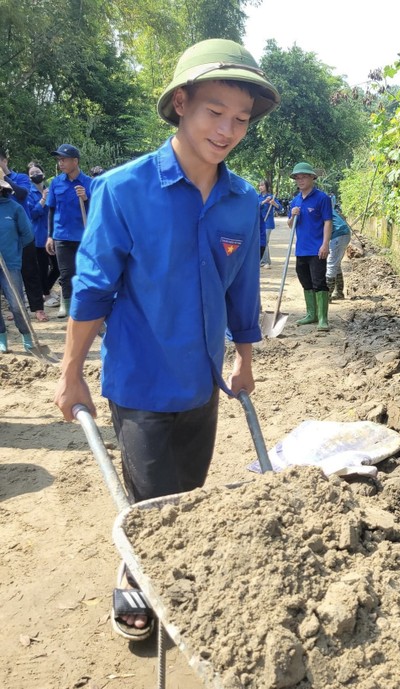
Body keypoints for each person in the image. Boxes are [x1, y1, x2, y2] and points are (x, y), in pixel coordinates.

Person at [52, 38, 280, 641]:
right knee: (153, 503)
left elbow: (242, 292)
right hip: (141, 384)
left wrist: (245, 360)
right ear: (181, 103)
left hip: (201, 382)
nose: (228, 129)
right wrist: (71, 370)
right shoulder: (123, 191)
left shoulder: (242, 200)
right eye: (215, 111)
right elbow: (92, 288)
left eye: (241, 119)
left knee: (189, 495)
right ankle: (140, 581)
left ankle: (172, 574)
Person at [45, 144, 92, 319]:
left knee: (83, 273)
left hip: (83, 236)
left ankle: (85, 305)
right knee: (66, 273)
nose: (60, 163)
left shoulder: (89, 183)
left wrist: (86, 199)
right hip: (61, 236)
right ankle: (67, 305)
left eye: (63, 159)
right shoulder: (56, 183)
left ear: (75, 161)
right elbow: (51, 210)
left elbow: (98, 211)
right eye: (58, 160)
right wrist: (50, 236)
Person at [0, 150, 47, 322]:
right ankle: (16, 308)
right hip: (5, 234)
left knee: (30, 271)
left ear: (5, 160)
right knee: (9, 273)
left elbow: (21, 194)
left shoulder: (20, 177)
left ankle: (38, 308)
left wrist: (4, 177)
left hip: (23, 232)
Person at [288, 162, 333, 331]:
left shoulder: (322, 198)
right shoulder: (295, 200)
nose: (300, 180)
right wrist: (292, 216)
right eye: (297, 178)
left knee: (319, 282)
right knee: (305, 280)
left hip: (317, 248)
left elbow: (328, 222)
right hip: (301, 249)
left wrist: (325, 244)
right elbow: (290, 225)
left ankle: (323, 318)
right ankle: (311, 314)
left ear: (312, 178)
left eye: (304, 177)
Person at [0, 179, 35, 353]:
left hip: (11, 263)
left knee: (16, 303)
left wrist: (14, 251)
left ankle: (26, 336)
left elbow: (27, 235)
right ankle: (2, 338)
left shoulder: (14, 208)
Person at [27, 162, 61, 311]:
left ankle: (44, 289)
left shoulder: (51, 189)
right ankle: (46, 294)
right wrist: (42, 200)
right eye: (32, 174)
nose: (36, 175)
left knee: (58, 267)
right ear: (29, 178)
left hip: (53, 234)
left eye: (37, 172)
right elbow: (32, 214)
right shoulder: (28, 193)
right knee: (41, 267)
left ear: (43, 173)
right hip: (37, 236)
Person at [327, 205, 352, 301]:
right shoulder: (325, 205)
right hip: (342, 233)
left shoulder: (318, 207)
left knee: (331, 264)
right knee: (336, 265)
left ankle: (327, 296)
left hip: (338, 234)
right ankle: (338, 292)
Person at [258, 180, 282, 267]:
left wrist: (273, 203)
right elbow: (255, 207)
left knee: (265, 241)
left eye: (262, 185)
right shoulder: (258, 197)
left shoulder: (272, 197)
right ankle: (265, 260)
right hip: (260, 223)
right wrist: (264, 202)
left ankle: (264, 261)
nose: (260, 187)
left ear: (267, 187)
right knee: (262, 241)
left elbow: (280, 208)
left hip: (268, 223)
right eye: (259, 185)